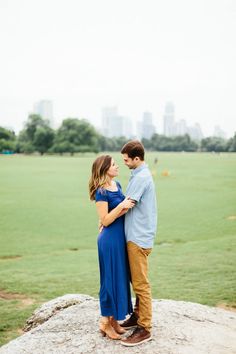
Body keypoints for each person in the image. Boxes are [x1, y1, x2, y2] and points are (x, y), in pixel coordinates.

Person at [89, 155, 135, 340]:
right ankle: (105, 322)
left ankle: (114, 320)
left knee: (119, 278)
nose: (118, 167)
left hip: (119, 239)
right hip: (108, 241)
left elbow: (119, 212)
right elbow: (106, 220)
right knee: (109, 280)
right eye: (114, 165)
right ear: (105, 168)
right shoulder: (101, 192)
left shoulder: (118, 186)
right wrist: (122, 206)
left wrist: (126, 206)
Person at [120, 140, 157, 347]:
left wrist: (105, 218)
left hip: (138, 238)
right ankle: (136, 316)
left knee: (141, 284)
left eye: (126, 160)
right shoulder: (138, 175)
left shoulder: (141, 177)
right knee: (136, 280)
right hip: (135, 236)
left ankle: (145, 328)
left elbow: (127, 205)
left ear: (136, 158)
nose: (124, 162)